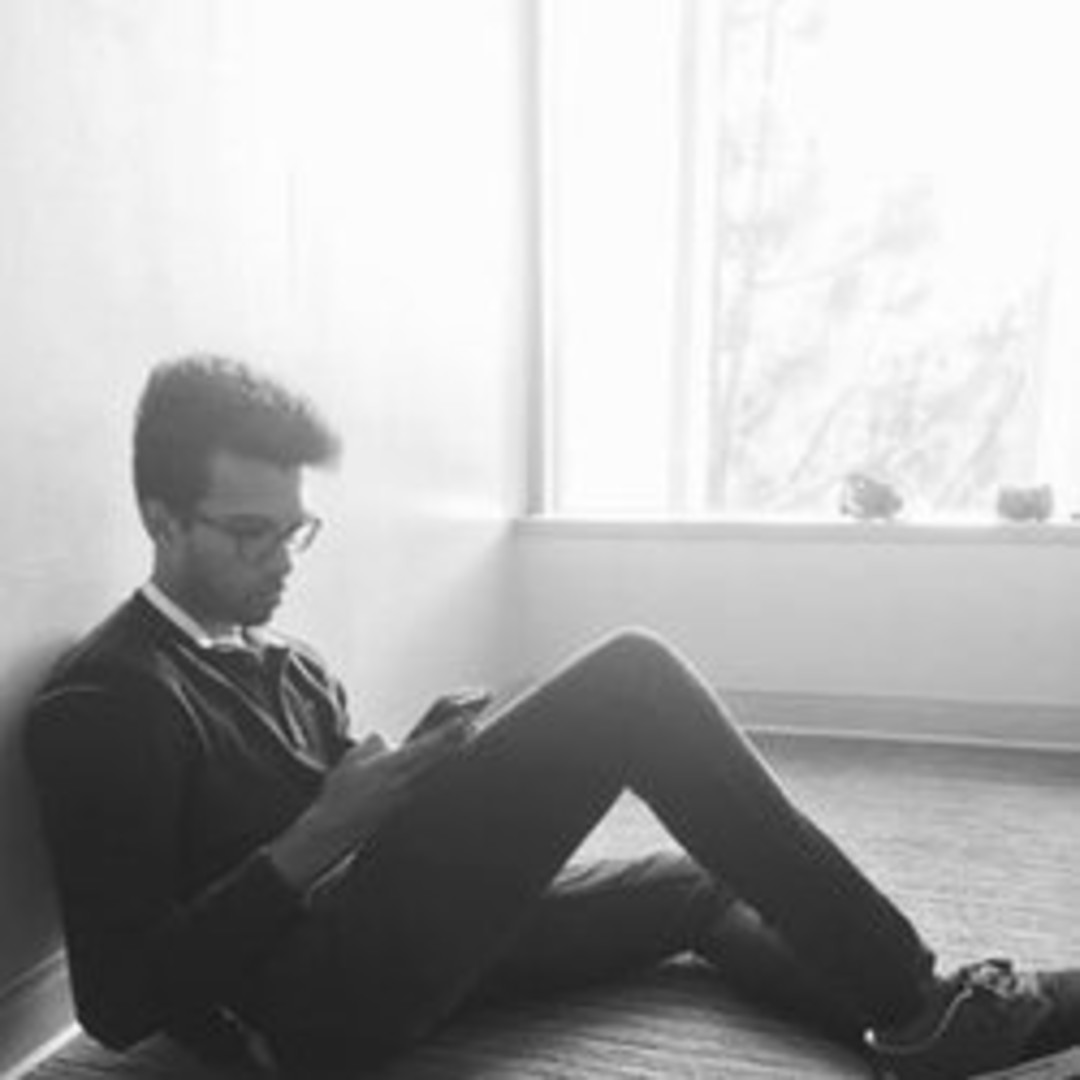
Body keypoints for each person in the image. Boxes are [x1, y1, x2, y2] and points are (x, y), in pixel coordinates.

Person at [24, 355, 1080, 1079]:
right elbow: (118, 1005)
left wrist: (416, 781)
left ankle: (923, 1026)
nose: (279, 562)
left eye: (295, 532)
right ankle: (928, 1006)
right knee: (633, 681)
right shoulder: (108, 702)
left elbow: (367, 836)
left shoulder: (287, 660)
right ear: (161, 520)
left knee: (699, 885)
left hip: (395, 937)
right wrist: (317, 837)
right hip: (301, 1017)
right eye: (249, 534)